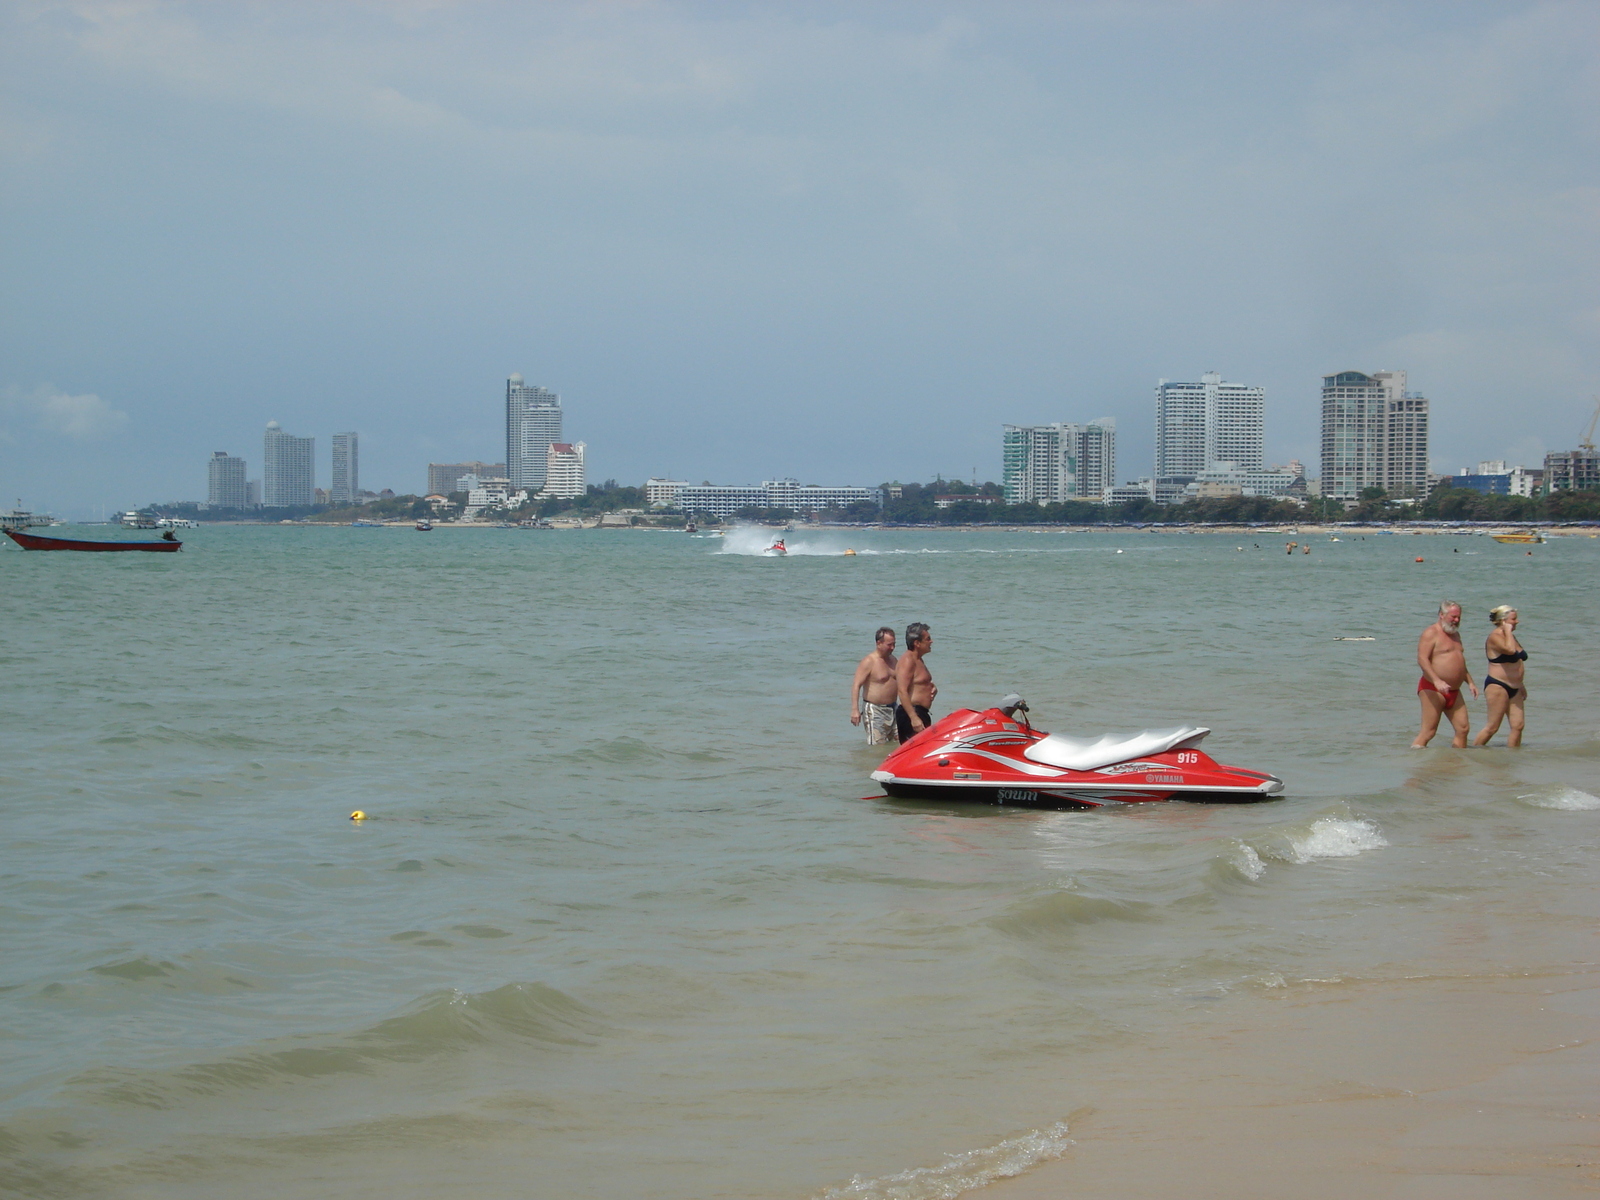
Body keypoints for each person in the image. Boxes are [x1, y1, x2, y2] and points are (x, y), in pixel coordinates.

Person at [1412, 600, 1478, 748]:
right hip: (1433, 688)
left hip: (1454, 691)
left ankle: (1456, 764)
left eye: (1459, 617)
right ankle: (1416, 764)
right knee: (1429, 732)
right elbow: (1422, 659)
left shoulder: (1455, 635)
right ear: (1441, 615)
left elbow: (1460, 662)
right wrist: (1436, 680)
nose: (1456, 620)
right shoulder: (1431, 633)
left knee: (1463, 729)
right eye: (1453, 617)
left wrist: (1471, 682)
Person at [1473, 605, 1527, 748]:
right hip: (1498, 685)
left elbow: (1519, 658)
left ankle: (1513, 758)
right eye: (1513, 619)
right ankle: (1472, 753)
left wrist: (1520, 683)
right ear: (1503, 621)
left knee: (1518, 726)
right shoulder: (1495, 637)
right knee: (1492, 727)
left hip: (1515, 686)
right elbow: (1510, 650)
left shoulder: (1511, 637)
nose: (1517, 622)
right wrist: (1507, 630)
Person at [849, 627, 899, 746]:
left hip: (894, 708)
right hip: (875, 710)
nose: (892, 647)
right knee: (878, 747)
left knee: (899, 743)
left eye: (894, 644)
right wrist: (855, 710)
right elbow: (856, 685)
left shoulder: (893, 660)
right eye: (889, 644)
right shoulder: (869, 661)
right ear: (879, 643)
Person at [893, 622, 937, 743]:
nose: (931, 641)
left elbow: (918, 683)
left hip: (921, 713)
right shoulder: (908, 660)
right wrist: (914, 718)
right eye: (928, 639)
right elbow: (902, 691)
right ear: (917, 643)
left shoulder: (918, 659)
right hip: (911, 715)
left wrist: (932, 689)